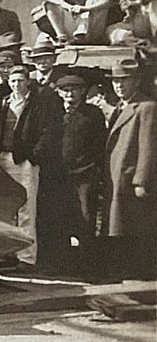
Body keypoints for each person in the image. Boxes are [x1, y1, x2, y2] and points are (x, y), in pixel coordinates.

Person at [0, 65, 65, 266]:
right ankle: (8, 253)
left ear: (27, 81)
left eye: (20, 80)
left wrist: (33, 157)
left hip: (24, 160)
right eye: (13, 81)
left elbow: (47, 132)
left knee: (26, 209)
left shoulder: (37, 103)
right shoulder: (4, 102)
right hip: (4, 158)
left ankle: (27, 258)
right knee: (7, 209)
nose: (16, 84)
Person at [103, 59, 156, 279]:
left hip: (130, 177)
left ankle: (140, 273)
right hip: (117, 176)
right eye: (116, 81)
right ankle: (128, 271)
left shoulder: (146, 107)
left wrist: (141, 181)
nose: (119, 85)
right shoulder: (120, 107)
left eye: (125, 80)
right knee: (120, 225)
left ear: (136, 81)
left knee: (135, 225)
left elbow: (148, 146)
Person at [53, 74, 109, 276]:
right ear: (59, 93)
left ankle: (89, 268)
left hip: (85, 176)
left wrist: (97, 171)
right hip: (61, 177)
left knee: (86, 220)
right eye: (65, 90)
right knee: (62, 220)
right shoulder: (54, 113)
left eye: (75, 90)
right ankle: (65, 266)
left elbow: (101, 145)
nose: (70, 94)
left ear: (83, 92)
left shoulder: (93, 114)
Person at [33, 0, 114, 45]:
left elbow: (111, 0)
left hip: (92, 28)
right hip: (74, 28)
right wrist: (65, 5)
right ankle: (62, 38)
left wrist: (85, 9)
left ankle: (82, 35)